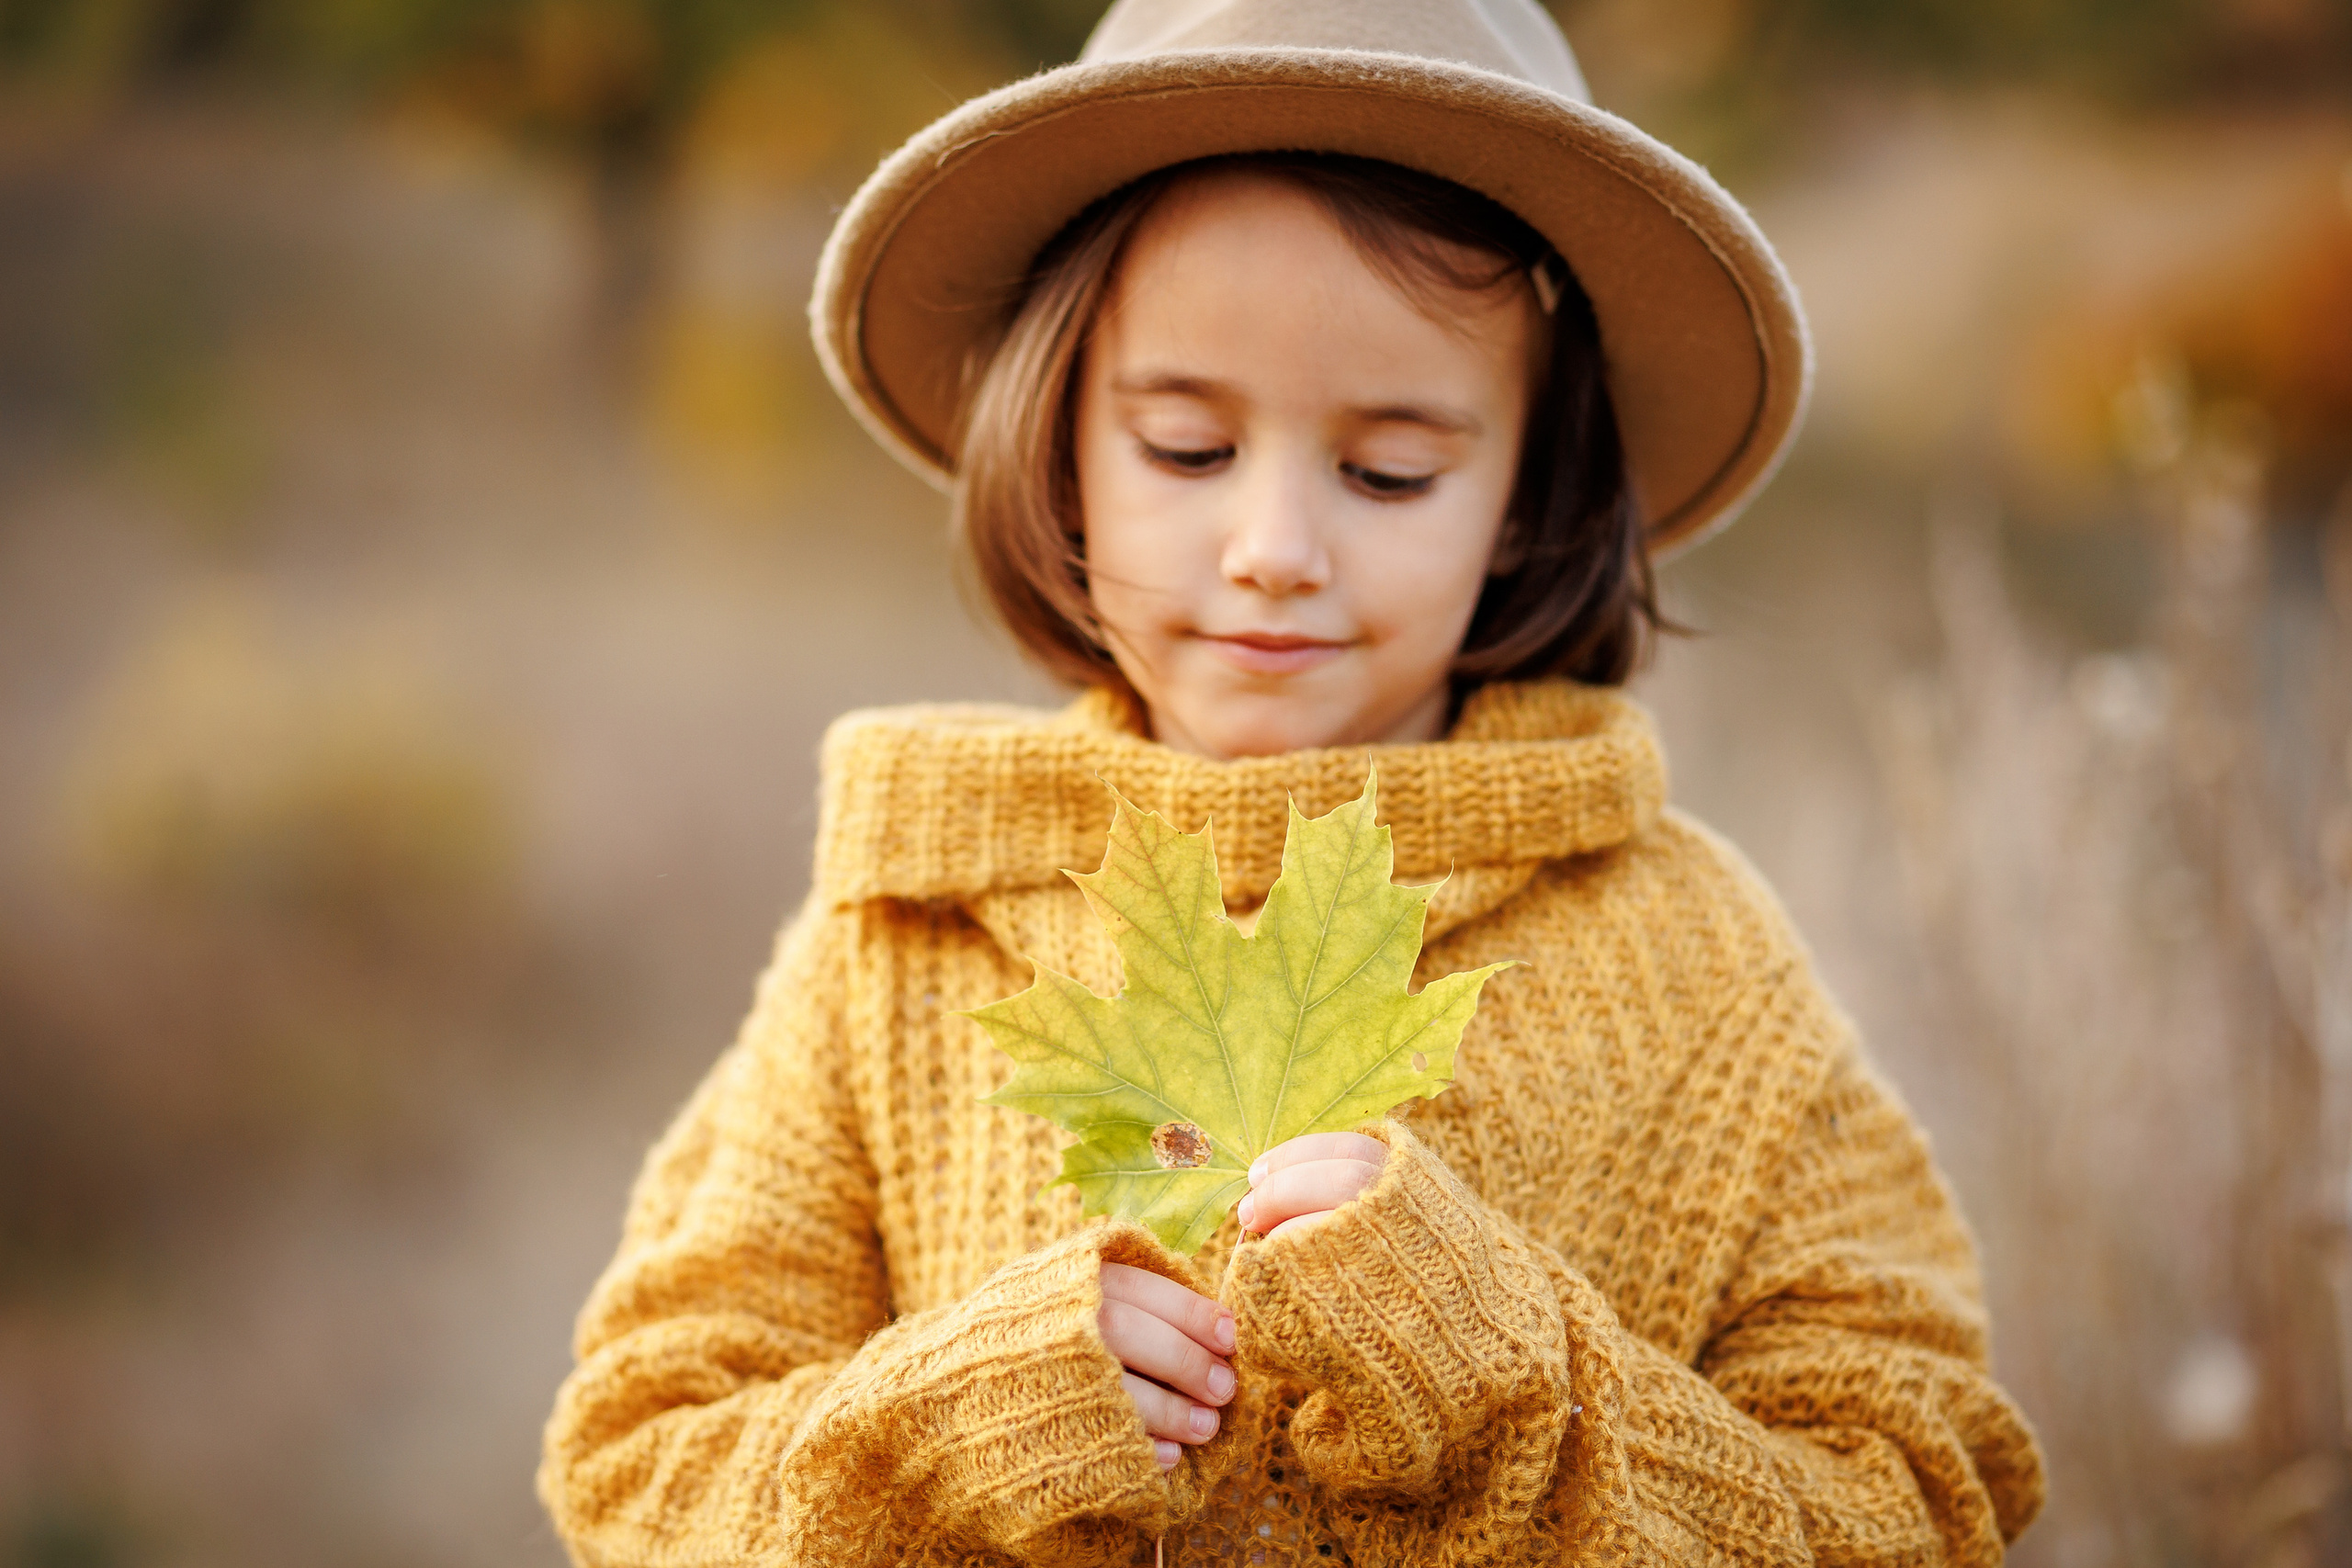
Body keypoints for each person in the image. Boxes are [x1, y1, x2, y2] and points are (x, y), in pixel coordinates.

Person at [537, 1, 2046, 1563]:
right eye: (1187, 449)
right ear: (1059, 447)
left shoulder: (1691, 965)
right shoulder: (906, 938)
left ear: (1530, 496)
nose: (1274, 550)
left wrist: (1516, 1383)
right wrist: (954, 1423)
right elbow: (643, 1469)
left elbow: (1919, 1496)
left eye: (1389, 472)